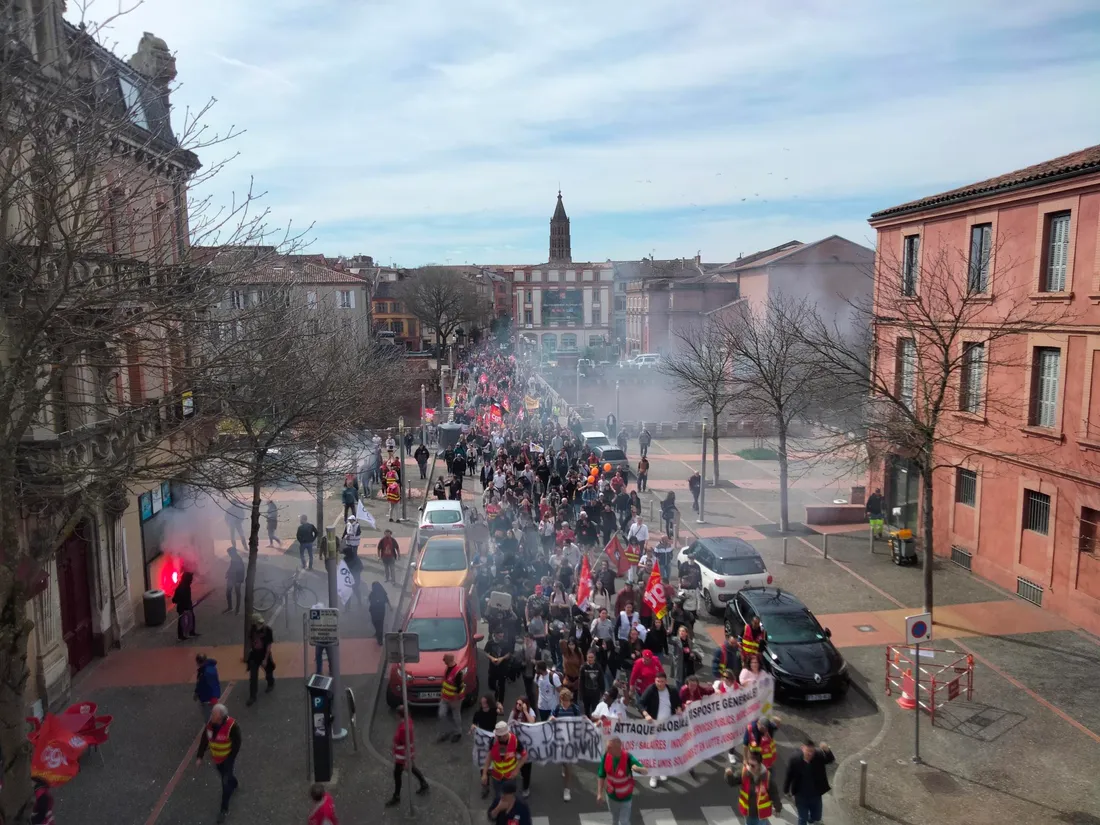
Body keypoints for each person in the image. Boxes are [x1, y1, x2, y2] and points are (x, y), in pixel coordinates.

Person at [195, 703, 241, 824]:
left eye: (213, 714)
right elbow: (205, 740)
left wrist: (230, 760)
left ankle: (223, 810)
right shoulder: (210, 724)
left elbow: (236, 745)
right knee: (226, 777)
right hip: (217, 759)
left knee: (225, 784)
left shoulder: (232, 726)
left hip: (227, 759)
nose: (211, 716)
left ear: (220, 717)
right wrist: (199, 756)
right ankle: (234, 782)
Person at [638, 671, 681, 787]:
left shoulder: (672, 690)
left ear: (666, 681)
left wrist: (679, 709)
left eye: (662, 681)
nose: (660, 684)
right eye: (658, 681)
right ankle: (653, 775)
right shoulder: (651, 690)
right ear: (655, 681)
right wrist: (645, 714)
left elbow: (678, 703)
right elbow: (640, 703)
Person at [596, 735, 648, 825]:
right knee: (614, 819)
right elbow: (601, 775)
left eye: (609, 748)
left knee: (624, 822)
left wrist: (638, 769)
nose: (607, 749)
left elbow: (645, 771)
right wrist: (599, 793)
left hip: (625, 798)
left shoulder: (628, 758)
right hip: (611, 797)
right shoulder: (606, 756)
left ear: (617, 748)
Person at [783, 739, 835, 825]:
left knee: (817, 817)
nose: (810, 754)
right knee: (802, 818)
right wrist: (786, 790)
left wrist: (827, 750)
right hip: (801, 796)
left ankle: (811, 819)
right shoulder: (795, 759)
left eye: (812, 751)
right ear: (802, 748)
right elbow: (789, 775)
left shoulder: (818, 755)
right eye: (808, 751)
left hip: (815, 794)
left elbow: (830, 760)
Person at [388, 704, 429, 806]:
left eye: (397, 714)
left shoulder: (403, 728)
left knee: (397, 775)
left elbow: (406, 744)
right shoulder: (408, 721)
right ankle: (424, 783)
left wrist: (406, 760)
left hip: (402, 756)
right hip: (403, 754)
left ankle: (396, 796)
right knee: (412, 768)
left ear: (399, 715)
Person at [726, 750, 781, 825]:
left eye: (753, 765)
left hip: (762, 813)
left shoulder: (767, 777)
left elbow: (774, 794)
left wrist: (778, 807)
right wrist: (729, 775)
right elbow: (732, 783)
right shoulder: (743, 773)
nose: (749, 767)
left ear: (759, 765)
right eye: (748, 764)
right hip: (749, 813)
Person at [482, 721, 527, 808]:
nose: (496, 737)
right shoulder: (493, 742)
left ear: (504, 735)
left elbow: (524, 756)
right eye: (497, 735)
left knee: (512, 797)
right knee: (498, 797)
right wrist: (484, 774)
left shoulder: (515, 741)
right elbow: (489, 757)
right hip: (497, 777)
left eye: (498, 736)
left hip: (510, 777)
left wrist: (516, 770)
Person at [549, 688, 581, 801]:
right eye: (564, 701)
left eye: (568, 701)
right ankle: (563, 766)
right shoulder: (556, 708)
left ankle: (566, 789)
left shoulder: (575, 709)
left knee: (568, 765)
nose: (566, 703)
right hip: (559, 741)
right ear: (560, 699)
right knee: (563, 762)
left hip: (571, 742)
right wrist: (551, 719)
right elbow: (550, 719)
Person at [245, 613, 275, 706]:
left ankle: (270, 682)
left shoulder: (267, 630)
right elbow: (250, 641)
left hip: (264, 653)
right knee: (253, 676)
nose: (260, 625)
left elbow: (269, 645)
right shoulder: (252, 630)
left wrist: (265, 659)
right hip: (254, 654)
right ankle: (252, 696)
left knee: (268, 670)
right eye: (258, 623)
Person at [437, 652, 464, 742]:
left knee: (456, 716)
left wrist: (456, 701)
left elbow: (459, 688)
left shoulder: (458, 672)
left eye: (444, 658)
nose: (443, 660)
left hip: (454, 699)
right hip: (445, 697)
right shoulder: (448, 667)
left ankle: (458, 732)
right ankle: (446, 732)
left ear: (449, 660)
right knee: (442, 714)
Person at [484, 630, 512, 705]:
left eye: (502, 636)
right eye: (500, 636)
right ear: (495, 635)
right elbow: (486, 652)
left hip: (502, 668)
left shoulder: (505, 642)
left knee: (502, 686)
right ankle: (496, 691)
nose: (501, 638)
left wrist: (501, 658)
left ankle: (500, 702)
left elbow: (509, 654)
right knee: (491, 684)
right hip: (493, 668)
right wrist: (491, 658)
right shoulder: (490, 643)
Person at [194, 654, 222, 721]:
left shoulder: (206, 672)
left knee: (208, 716)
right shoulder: (206, 669)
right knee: (208, 714)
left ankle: (212, 728)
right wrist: (196, 692)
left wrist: (214, 698)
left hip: (208, 699)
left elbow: (213, 686)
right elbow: (200, 683)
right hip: (206, 697)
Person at [173, 571, 198, 641]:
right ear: (187, 579)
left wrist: (189, 605)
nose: (192, 581)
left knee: (192, 618)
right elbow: (174, 600)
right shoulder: (181, 588)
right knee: (181, 621)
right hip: (182, 608)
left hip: (188, 606)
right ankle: (180, 636)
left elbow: (187, 598)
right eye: (191, 579)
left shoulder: (187, 586)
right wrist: (184, 605)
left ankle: (191, 632)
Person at [225, 546, 245, 614]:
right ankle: (230, 607)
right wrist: (227, 573)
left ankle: (237, 609)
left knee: (237, 594)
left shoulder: (238, 559)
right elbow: (231, 566)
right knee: (228, 593)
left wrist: (239, 581)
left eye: (229, 553)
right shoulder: (233, 558)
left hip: (237, 580)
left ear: (233, 552)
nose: (229, 554)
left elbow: (241, 571)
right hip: (231, 578)